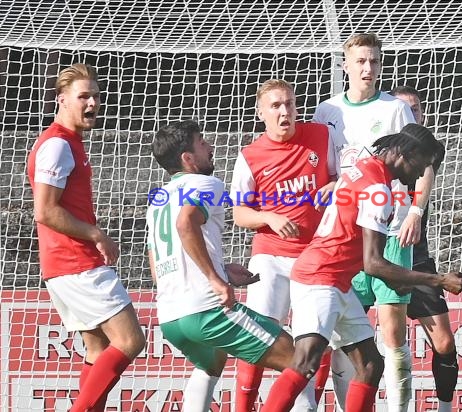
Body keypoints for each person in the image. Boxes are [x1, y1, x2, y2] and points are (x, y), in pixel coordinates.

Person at [260, 123, 462, 412]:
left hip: (337, 281)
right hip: (319, 279)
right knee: (305, 361)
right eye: (422, 165)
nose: (421, 174)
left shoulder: (364, 167)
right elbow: (374, 263)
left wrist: (405, 281)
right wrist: (438, 280)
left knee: (371, 364)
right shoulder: (377, 189)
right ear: (407, 153)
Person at [313, 33, 433, 411]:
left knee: (393, 332)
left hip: (390, 226)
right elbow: (325, 171)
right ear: (345, 65)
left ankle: (398, 407)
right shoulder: (326, 111)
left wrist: (415, 210)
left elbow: (424, 162)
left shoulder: (395, 110)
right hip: (346, 231)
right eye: (361, 62)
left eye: (375, 62)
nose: (368, 69)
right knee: (340, 335)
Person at [146, 120, 298, 412]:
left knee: (211, 364)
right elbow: (186, 223)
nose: (210, 147)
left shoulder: (159, 200)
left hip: (170, 316)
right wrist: (216, 279)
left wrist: (222, 269)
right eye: (202, 143)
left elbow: (159, 267)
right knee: (298, 358)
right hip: (205, 310)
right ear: (187, 158)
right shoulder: (206, 183)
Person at [27, 63, 146, 412]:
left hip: (62, 265)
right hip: (76, 261)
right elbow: (45, 211)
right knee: (130, 339)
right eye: (84, 96)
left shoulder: (67, 143)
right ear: (61, 100)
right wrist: (96, 234)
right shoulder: (57, 146)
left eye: (95, 95)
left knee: (96, 349)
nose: (93, 103)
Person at [230, 79, 338, 411]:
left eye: (289, 104)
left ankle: (307, 406)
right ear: (261, 112)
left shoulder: (320, 136)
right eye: (275, 106)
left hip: (316, 257)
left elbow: (338, 176)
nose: (284, 111)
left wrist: (333, 186)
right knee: (259, 338)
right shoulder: (250, 156)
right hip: (271, 257)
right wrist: (270, 218)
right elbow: (239, 213)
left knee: (316, 341)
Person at [391, 85, 458, 412]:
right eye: (402, 110)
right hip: (367, 256)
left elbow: (427, 168)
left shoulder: (430, 154)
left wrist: (415, 212)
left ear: (423, 116)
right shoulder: (377, 153)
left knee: (444, 342)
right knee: (339, 341)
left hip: (414, 258)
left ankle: (444, 408)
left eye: (414, 110)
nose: (409, 116)